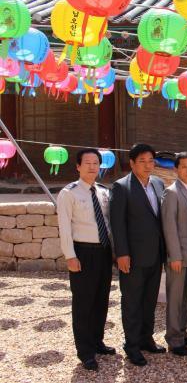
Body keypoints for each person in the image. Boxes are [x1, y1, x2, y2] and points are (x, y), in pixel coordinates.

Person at [57, 149, 115, 371]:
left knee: (101, 299)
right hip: (83, 252)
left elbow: (108, 223)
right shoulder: (69, 193)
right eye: (87, 163)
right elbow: (64, 227)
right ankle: (85, 351)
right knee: (83, 303)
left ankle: (97, 341)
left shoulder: (103, 191)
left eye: (96, 163)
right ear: (78, 166)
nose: (92, 167)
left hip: (103, 252)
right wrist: (70, 256)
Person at [110, 143, 166, 366]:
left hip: (155, 255)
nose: (147, 165)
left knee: (150, 300)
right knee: (132, 302)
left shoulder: (159, 184)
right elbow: (117, 224)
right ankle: (132, 345)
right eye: (142, 161)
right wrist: (122, 253)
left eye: (150, 161)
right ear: (132, 163)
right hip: (132, 257)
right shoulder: (121, 187)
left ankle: (146, 339)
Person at [161, 152, 187, 356]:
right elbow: (169, 227)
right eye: (183, 166)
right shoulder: (172, 192)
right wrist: (174, 256)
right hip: (178, 256)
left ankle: (183, 332)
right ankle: (174, 339)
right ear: (176, 169)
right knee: (176, 298)